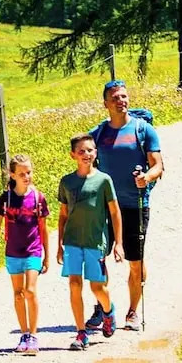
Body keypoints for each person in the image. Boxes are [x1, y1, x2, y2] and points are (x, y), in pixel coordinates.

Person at [86, 80, 163, 332]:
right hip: (104, 207)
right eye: (115, 98)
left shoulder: (143, 130)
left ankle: (132, 312)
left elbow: (158, 165)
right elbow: (87, 164)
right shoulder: (98, 134)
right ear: (106, 103)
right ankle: (103, 307)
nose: (121, 101)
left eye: (123, 96)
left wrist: (146, 177)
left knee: (135, 261)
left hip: (135, 204)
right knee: (97, 258)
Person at [57, 133, 124, 351]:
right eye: (81, 151)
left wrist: (118, 243)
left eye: (90, 150)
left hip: (95, 242)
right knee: (74, 284)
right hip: (72, 241)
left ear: (96, 152)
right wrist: (59, 244)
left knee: (97, 287)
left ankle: (108, 311)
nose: (86, 154)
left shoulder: (104, 180)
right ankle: (81, 332)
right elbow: (63, 215)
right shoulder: (67, 182)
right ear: (73, 155)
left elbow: (115, 212)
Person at [0, 154, 49, 355]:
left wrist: (47, 255)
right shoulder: (6, 198)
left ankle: (34, 335)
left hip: (33, 251)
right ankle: (24, 334)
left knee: (30, 291)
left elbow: (43, 228)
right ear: (12, 175)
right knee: (18, 295)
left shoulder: (38, 198)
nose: (26, 176)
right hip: (12, 252)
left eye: (29, 172)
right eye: (22, 174)